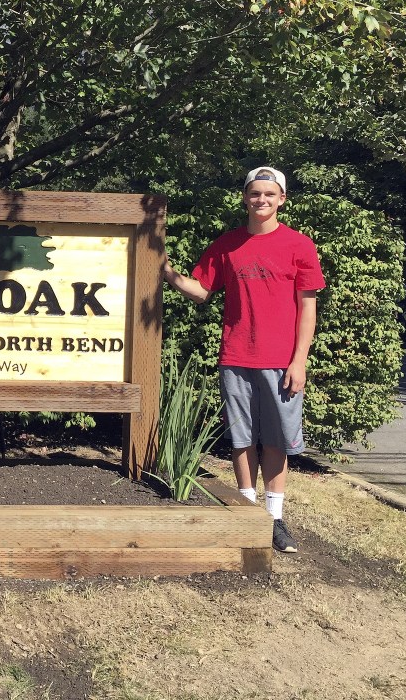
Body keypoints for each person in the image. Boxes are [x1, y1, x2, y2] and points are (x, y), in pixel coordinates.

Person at [162, 166, 325, 553]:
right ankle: (246, 512)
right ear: (245, 198)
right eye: (255, 193)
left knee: (277, 441)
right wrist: (166, 271)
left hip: (281, 361)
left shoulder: (299, 245)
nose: (261, 200)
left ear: (281, 199)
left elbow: (308, 308)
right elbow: (201, 291)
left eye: (269, 194)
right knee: (242, 438)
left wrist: (299, 361)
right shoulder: (228, 245)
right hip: (236, 356)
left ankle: (274, 519)